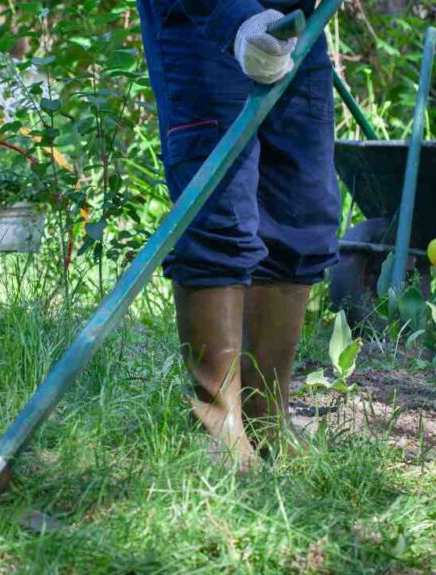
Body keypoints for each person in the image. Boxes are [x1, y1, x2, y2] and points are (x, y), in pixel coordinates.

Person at [136, 0, 340, 465]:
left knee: (302, 213)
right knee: (219, 214)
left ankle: (266, 419)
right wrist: (235, 19)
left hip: (299, 21)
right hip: (203, 21)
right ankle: (217, 427)